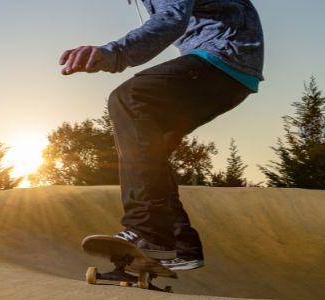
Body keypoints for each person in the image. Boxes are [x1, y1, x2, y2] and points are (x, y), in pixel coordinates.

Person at [59, 0, 263, 271]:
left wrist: (113, 53)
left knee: (129, 98)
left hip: (224, 56)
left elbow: (172, 18)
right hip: (230, 71)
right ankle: (181, 245)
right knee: (152, 150)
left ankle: (148, 232)